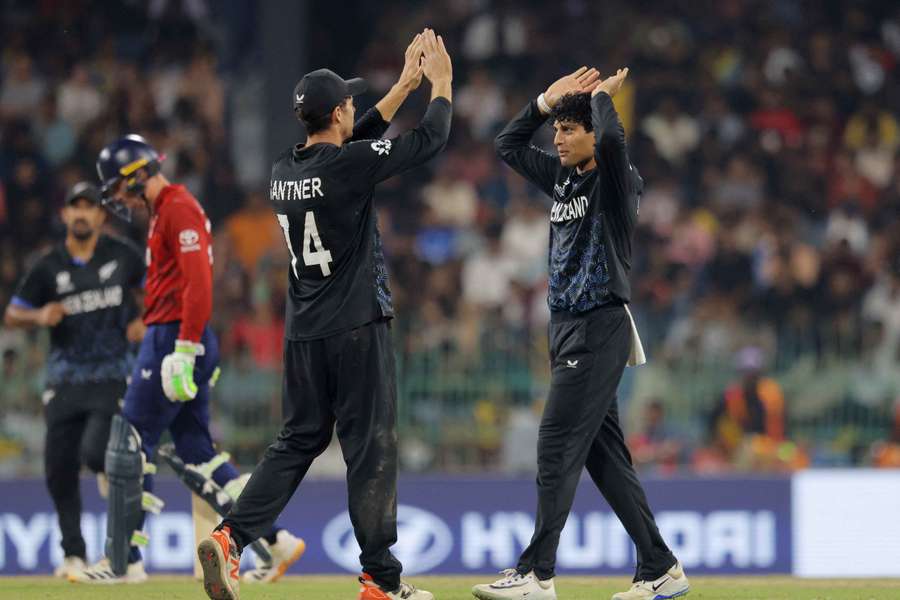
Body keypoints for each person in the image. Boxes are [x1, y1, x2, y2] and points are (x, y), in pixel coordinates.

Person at [197, 28, 452, 600]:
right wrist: (439, 85)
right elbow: (430, 139)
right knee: (370, 448)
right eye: (351, 103)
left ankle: (231, 538)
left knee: (296, 441)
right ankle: (380, 580)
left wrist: (402, 86)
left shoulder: (282, 170)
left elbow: (352, 149)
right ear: (337, 113)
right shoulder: (347, 166)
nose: (357, 108)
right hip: (356, 327)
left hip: (303, 332)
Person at [472, 67, 689, 600]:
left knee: (554, 444)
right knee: (604, 456)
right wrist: (544, 102)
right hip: (565, 329)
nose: (559, 138)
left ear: (593, 132)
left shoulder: (616, 180)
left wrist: (601, 99)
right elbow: (506, 144)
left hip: (597, 325)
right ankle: (660, 567)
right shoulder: (563, 179)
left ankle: (537, 573)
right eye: (557, 129)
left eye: (570, 129)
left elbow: (613, 140)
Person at [71, 135, 304, 584]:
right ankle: (276, 541)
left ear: (135, 175)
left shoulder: (177, 208)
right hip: (175, 334)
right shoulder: (165, 210)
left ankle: (122, 562)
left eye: (117, 187)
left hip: (175, 337)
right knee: (198, 453)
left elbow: (199, 282)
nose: (118, 199)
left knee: (130, 442)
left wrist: (183, 346)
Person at [3, 181, 145, 579]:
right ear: (65, 215)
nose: (82, 213)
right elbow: (12, 313)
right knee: (58, 468)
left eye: (89, 207)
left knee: (96, 453)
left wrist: (145, 321)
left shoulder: (123, 254)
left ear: (100, 215)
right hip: (64, 378)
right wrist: (39, 315)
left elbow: (157, 290)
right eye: (75, 207)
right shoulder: (48, 265)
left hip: (112, 373)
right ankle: (73, 554)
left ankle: (112, 473)